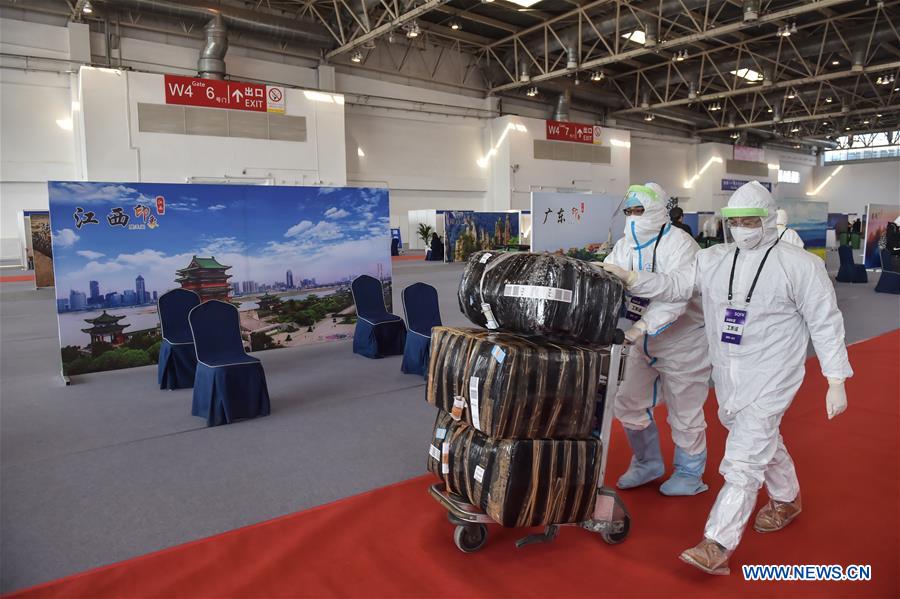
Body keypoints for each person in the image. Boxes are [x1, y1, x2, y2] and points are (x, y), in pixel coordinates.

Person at [600, 181, 852, 575]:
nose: (742, 229)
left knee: (743, 457)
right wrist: (633, 279)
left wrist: (835, 378)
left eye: (751, 221)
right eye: (735, 221)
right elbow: (677, 286)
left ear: (767, 219)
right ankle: (787, 498)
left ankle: (717, 543)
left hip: (773, 372)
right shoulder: (714, 259)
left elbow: (825, 321)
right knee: (756, 433)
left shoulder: (800, 265)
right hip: (729, 372)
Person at [602, 183, 712, 496]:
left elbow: (678, 294)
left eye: (640, 210)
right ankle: (647, 462)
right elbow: (610, 279)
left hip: (684, 342)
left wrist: (641, 326)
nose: (633, 217)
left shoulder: (680, 245)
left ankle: (689, 473)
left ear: (658, 210)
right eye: (629, 211)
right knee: (627, 401)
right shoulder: (625, 245)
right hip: (639, 340)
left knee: (685, 411)